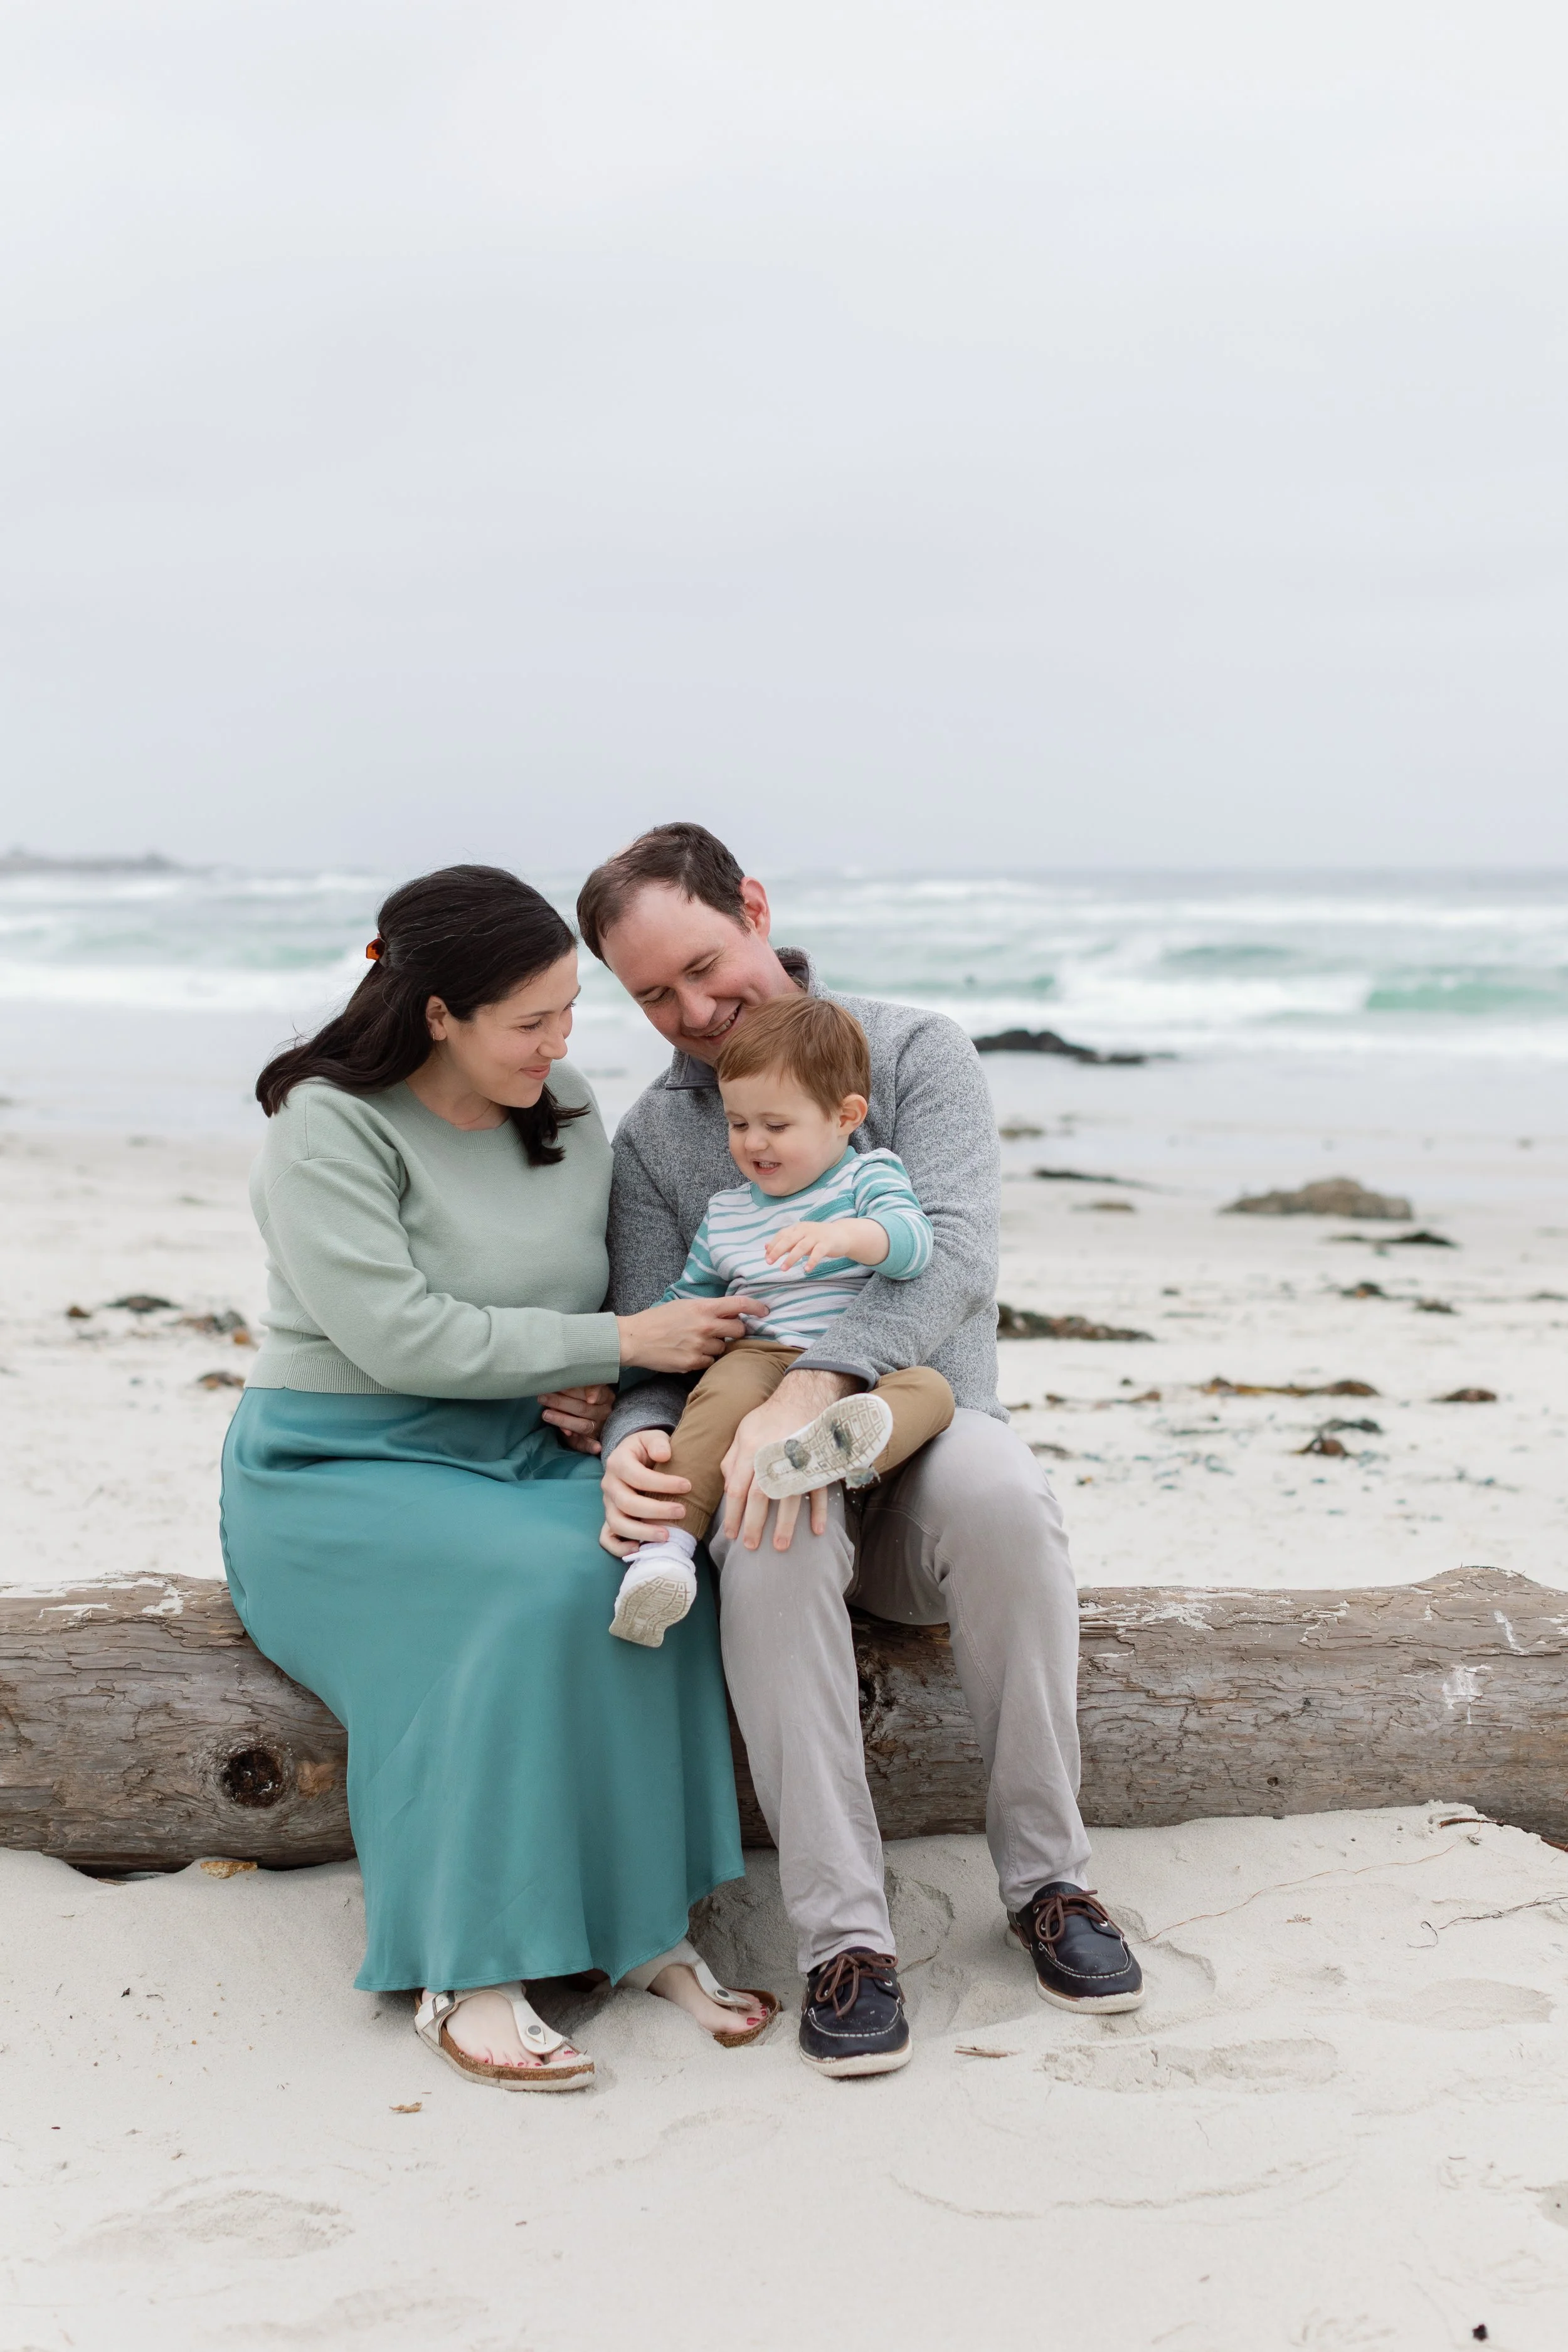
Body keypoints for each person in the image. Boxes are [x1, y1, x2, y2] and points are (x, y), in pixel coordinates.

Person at [577, 824, 1145, 2080]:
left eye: (704, 963)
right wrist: (637, 1450)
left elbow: (950, 1258)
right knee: (769, 1539)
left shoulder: (912, 1054)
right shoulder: (656, 1147)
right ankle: (846, 1945)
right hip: (783, 1467)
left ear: (755, 909)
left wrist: (820, 1380)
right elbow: (660, 1354)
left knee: (1002, 1495)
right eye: (651, 993)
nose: (691, 1008)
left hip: (924, 1430)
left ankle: (1050, 1885)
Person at [220, 864, 777, 2094]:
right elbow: (403, 1336)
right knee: (532, 1586)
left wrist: (586, 1386)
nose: (561, 1042)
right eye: (530, 1022)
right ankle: (463, 1970)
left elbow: (575, 1297)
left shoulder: (562, 1104)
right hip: (337, 1471)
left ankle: (640, 1929)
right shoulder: (328, 1126)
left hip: (518, 1448)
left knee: (653, 1558)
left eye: (569, 1010)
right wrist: (616, 1348)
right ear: (438, 1017)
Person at [608, 991, 953, 1650]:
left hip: (861, 1364)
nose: (753, 1143)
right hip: (760, 1354)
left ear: (845, 1116)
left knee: (932, 1392)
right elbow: (685, 1298)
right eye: (738, 1124)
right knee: (714, 1408)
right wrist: (628, 1349)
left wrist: (853, 1237)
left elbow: (914, 1246)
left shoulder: (869, 1179)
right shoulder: (727, 1213)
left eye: (775, 1125)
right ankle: (662, 1556)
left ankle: (840, 1448)